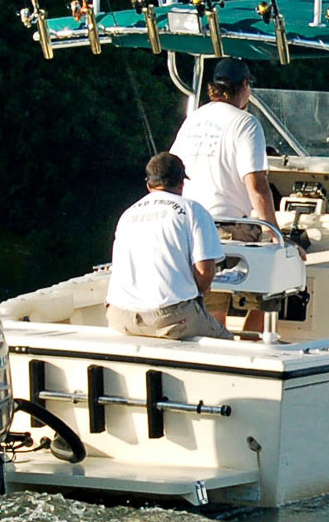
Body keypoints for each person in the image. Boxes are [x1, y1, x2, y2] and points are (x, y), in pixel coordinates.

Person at [104, 151, 232, 340]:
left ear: (149, 184)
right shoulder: (193, 210)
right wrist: (196, 296)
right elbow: (205, 271)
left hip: (119, 317)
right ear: (181, 183)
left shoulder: (127, 215)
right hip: (169, 319)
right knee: (226, 342)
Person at [171, 58, 276, 239]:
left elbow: (171, 171)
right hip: (224, 228)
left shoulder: (193, 119)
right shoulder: (246, 122)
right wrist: (273, 231)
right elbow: (257, 185)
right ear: (244, 85)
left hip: (187, 225)